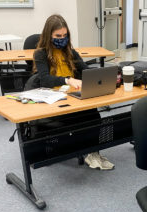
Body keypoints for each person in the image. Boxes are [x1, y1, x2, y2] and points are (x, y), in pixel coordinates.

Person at [31, 14, 114, 170]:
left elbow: (85, 70)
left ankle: (92, 152)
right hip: (53, 99)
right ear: (49, 35)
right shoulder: (40, 54)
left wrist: (98, 77)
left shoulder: (70, 52)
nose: (62, 39)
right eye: (58, 36)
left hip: (71, 97)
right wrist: (68, 80)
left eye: (65, 35)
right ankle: (83, 148)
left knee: (93, 114)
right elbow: (45, 80)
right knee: (81, 117)